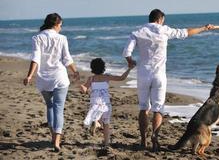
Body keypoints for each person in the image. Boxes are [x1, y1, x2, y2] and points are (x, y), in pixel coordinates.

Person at [122, 9, 215, 151]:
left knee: (143, 108)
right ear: (160, 20)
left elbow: (126, 52)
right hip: (159, 75)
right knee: (158, 108)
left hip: (143, 74)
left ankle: (142, 141)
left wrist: (130, 61)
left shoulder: (138, 32)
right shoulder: (164, 30)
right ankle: (155, 138)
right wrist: (204, 28)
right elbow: (186, 32)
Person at [23, 13, 80, 152]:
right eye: (60, 25)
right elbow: (67, 59)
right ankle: (57, 141)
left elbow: (35, 58)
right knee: (58, 108)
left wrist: (29, 76)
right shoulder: (62, 38)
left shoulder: (37, 38)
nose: (61, 27)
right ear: (56, 24)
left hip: (43, 79)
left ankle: (53, 135)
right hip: (59, 77)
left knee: (50, 106)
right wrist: (75, 71)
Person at [80, 58, 135, 147]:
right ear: (103, 67)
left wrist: (82, 87)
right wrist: (129, 69)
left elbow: (85, 89)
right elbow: (122, 78)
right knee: (106, 123)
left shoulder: (91, 79)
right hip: (105, 103)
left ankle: (96, 123)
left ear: (92, 68)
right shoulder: (107, 77)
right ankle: (106, 143)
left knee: (97, 118)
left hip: (95, 103)